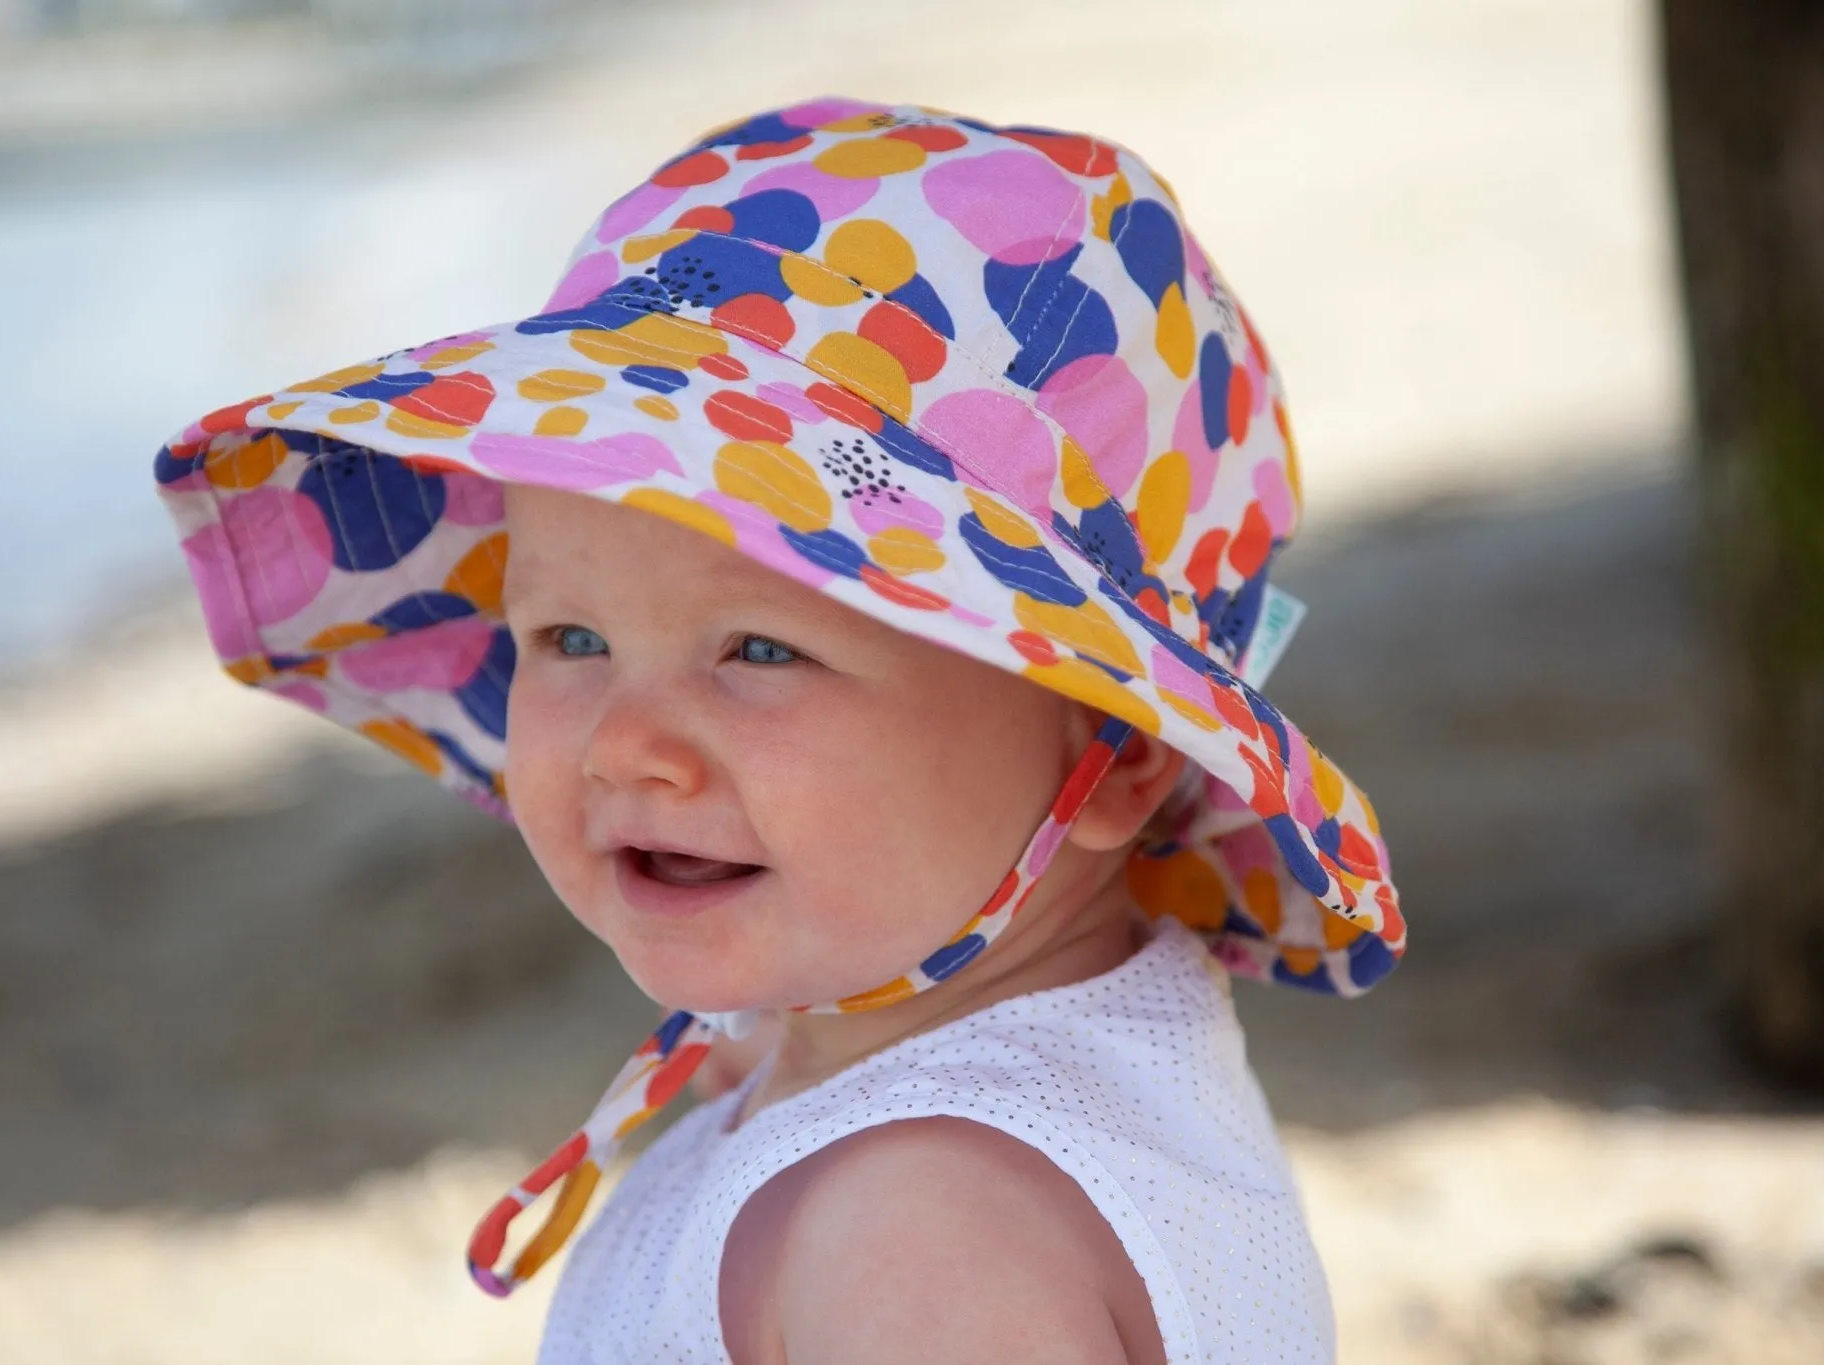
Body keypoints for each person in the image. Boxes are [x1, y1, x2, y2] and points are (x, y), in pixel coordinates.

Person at [153, 95, 1406, 1363]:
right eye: (569, 640)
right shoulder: (971, 1059)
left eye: (759, 650)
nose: (622, 744)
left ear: (1117, 747)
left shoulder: (924, 1236)